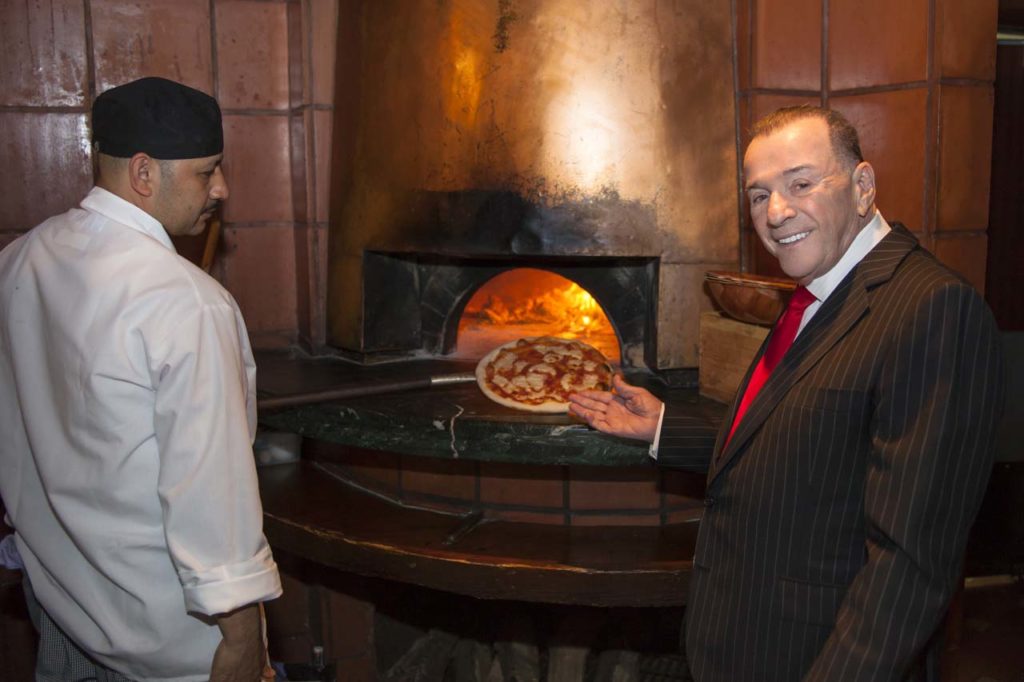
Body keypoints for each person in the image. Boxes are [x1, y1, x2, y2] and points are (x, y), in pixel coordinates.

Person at [570, 106, 1004, 682]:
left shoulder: (932, 308)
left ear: (862, 187)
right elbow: (809, 443)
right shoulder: (819, 286)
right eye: (759, 195)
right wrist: (663, 428)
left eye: (801, 184)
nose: (776, 213)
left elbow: (908, 564)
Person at [0, 77, 282, 681]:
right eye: (206, 172)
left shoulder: (19, 260)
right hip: (168, 646)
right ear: (145, 173)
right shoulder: (187, 302)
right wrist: (243, 637)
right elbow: (211, 490)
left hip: (60, 605)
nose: (222, 189)